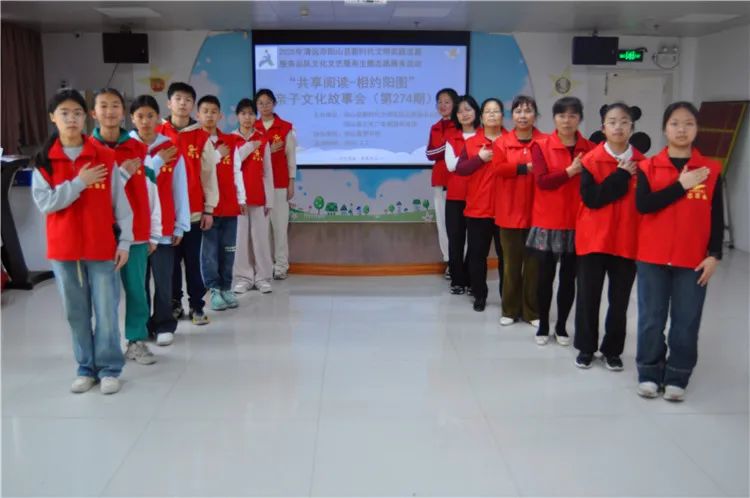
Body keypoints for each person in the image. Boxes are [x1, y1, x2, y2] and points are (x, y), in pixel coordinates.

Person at [31, 88, 132, 395]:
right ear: (53, 117)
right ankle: (85, 367)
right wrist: (79, 183)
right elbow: (46, 203)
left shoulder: (104, 156)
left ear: (86, 117)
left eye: (76, 113)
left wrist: (125, 242)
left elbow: (121, 205)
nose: (71, 119)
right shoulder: (45, 161)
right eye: (64, 113)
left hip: (101, 248)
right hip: (64, 251)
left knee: (106, 312)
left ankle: (109, 368)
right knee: (76, 313)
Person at [634, 101, 723, 402]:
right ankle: (648, 371)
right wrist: (681, 185)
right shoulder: (647, 167)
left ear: (697, 129)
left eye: (688, 123)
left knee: (686, 321)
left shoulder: (711, 169)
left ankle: (677, 375)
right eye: (675, 123)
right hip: (652, 257)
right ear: (664, 128)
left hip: (693, 259)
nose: (681, 129)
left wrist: (714, 254)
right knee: (651, 319)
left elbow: (716, 215)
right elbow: (644, 206)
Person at [91, 88, 161, 364]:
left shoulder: (138, 149)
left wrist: (154, 232)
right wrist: (122, 174)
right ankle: (106, 347)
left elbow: (152, 192)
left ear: (123, 112)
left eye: (115, 106)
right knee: (104, 296)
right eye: (103, 106)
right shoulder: (88, 150)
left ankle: (135, 341)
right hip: (100, 234)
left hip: (137, 234)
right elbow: (90, 194)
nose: (109, 112)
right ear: (93, 113)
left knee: (137, 291)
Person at [573, 103, 645, 370]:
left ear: (632, 128)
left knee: (620, 300)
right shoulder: (590, 160)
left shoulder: (644, 163)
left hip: (627, 240)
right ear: (603, 128)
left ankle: (613, 351)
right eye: (612, 121)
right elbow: (592, 199)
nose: (618, 127)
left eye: (624, 121)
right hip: (594, 240)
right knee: (588, 297)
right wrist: (621, 175)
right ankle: (586, 348)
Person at [528, 96, 595, 345]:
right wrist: (570, 171)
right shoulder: (541, 146)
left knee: (569, 279)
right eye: (562, 115)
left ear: (580, 119)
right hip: (548, 221)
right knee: (544, 278)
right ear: (554, 118)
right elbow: (542, 181)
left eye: (572, 116)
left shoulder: (591, 148)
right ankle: (543, 325)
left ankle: (561, 326)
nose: (567, 121)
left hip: (579, 222)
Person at [157, 82, 222, 326]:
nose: (182, 103)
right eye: (178, 99)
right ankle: (174, 303)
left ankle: (197, 305)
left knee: (193, 261)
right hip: (165, 214)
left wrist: (209, 209)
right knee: (170, 264)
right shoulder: (157, 133)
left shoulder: (201, 136)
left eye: (187, 100)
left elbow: (209, 175)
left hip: (194, 211)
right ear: (169, 103)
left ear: (193, 105)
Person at [130, 95, 190, 347]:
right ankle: (142, 324)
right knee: (138, 283)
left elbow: (180, 188)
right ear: (132, 119)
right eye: (140, 116)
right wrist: (155, 162)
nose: (145, 121)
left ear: (158, 118)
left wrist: (181, 224)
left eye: (150, 116)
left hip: (164, 226)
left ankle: (164, 323)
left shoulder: (171, 149)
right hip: (135, 228)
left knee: (164, 280)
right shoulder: (126, 148)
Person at [493, 95, 544, 327]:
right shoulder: (501, 142)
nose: (523, 116)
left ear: (535, 115)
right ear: (511, 116)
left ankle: (532, 312)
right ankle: (509, 309)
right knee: (511, 265)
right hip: (509, 212)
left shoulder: (545, 142)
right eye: (518, 111)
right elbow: (499, 168)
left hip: (538, 214)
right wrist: (525, 168)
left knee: (534, 267)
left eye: (528, 111)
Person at [453, 98, 506, 311]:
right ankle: (479, 295)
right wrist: (479, 159)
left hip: (506, 210)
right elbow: (460, 169)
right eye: (488, 111)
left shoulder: (511, 140)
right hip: (478, 209)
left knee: (507, 258)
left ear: (502, 115)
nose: (492, 114)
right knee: (477, 256)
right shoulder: (471, 142)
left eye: (496, 111)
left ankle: (507, 298)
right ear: (482, 117)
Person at [196, 95, 243, 311]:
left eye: (213, 111)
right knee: (209, 252)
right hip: (207, 208)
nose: (209, 115)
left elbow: (237, 171)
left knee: (228, 249)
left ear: (220, 115)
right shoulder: (195, 142)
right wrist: (215, 155)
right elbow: (196, 170)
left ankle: (226, 287)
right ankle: (213, 289)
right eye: (205, 111)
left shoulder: (230, 141)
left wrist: (241, 198)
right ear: (198, 115)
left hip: (229, 205)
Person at [232, 98, 275, 295]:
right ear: (237, 116)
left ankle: (263, 277)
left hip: (259, 197)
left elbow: (268, 171)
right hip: (238, 199)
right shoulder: (231, 139)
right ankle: (243, 278)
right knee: (241, 239)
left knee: (260, 239)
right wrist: (249, 147)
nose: (247, 118)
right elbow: (233, 164)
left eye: (251, 114)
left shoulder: (262, 139)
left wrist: (270, 199)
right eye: (243, 114)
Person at [254, 88, 297, 280]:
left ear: (274, 104)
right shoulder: (252, 127)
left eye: (268, 102)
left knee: (280, 228)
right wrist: (268, 150)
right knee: (261, 231)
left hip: (279, 184)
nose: (264, 106)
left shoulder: (285, 128)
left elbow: (291, 158)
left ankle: (281, 266)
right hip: (258, 186)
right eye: (260, 103)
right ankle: (264, 267)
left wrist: (291, 182)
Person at [444, 95, 479, 295]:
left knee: (476, 242)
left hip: (479, 196)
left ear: (476, 111)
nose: (464, 114)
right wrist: (477, 158)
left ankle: (472, 279)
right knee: (456, 240)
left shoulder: (485, 135)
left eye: (468, 109)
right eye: (459, 111)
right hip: (456, 196)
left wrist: (467, 161)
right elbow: (452, 166)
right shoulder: (452, 138)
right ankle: (457, 280)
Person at [426, 88, 460, 278]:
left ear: (455, 104)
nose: (442, 105)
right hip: (440, 181)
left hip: (459, 181)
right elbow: (429, 154)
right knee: (443, 224)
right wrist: (448, 147)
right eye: (439, 101)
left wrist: (443, 149)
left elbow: (461, 151)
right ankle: (450, 262)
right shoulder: (435, 127)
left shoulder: (461, 125)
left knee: (460, 225)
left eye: (447, 101)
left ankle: (461, 261)